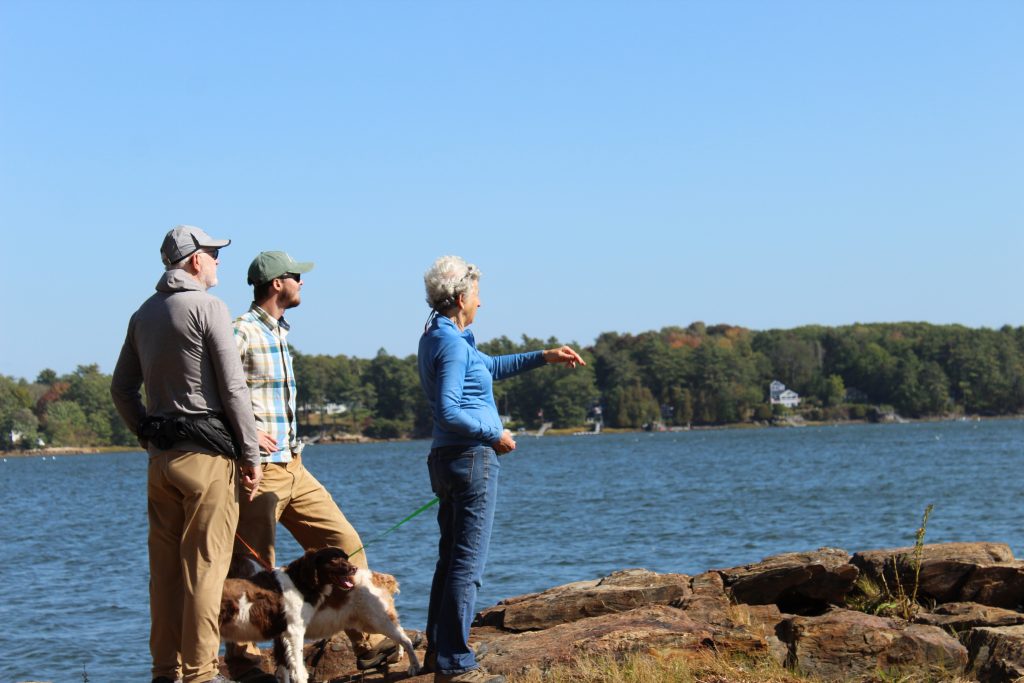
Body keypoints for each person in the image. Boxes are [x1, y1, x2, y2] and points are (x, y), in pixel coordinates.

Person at [224, 251, 401, 682]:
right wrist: (244, 434)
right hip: (257, 471)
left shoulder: (280, 332)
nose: (302, 283)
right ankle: (244, 662)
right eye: (296, 276)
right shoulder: (240, 331)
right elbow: (217, 390)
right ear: (275, 283)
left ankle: (367, 644)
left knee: (345, 545)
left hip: (295, 467)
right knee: (252, 573)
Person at [417, 255, 586, 683]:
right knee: (466, 564)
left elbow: (488, 368)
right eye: (476, 295)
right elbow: (450, 410)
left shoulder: (441, 336)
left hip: (447, 460)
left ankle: (439, 650)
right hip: (471, 459)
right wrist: (494, 434)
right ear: (460, 298)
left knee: (449, 559)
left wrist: (543, 356)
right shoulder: (453, 343)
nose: (481, 303)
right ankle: (455, 663)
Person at [110, 225, 263, 683]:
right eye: (214, 254)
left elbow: (120, 390)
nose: (218, 261)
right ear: (195, 260)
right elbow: (234, 388)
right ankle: (199, 674)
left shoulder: (143, 315)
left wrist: (145, 432)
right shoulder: (209, 307)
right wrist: (251, 454)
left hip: (161, 462)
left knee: (166, 576)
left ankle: (165, 671)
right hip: (208, 461)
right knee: (205, 574)